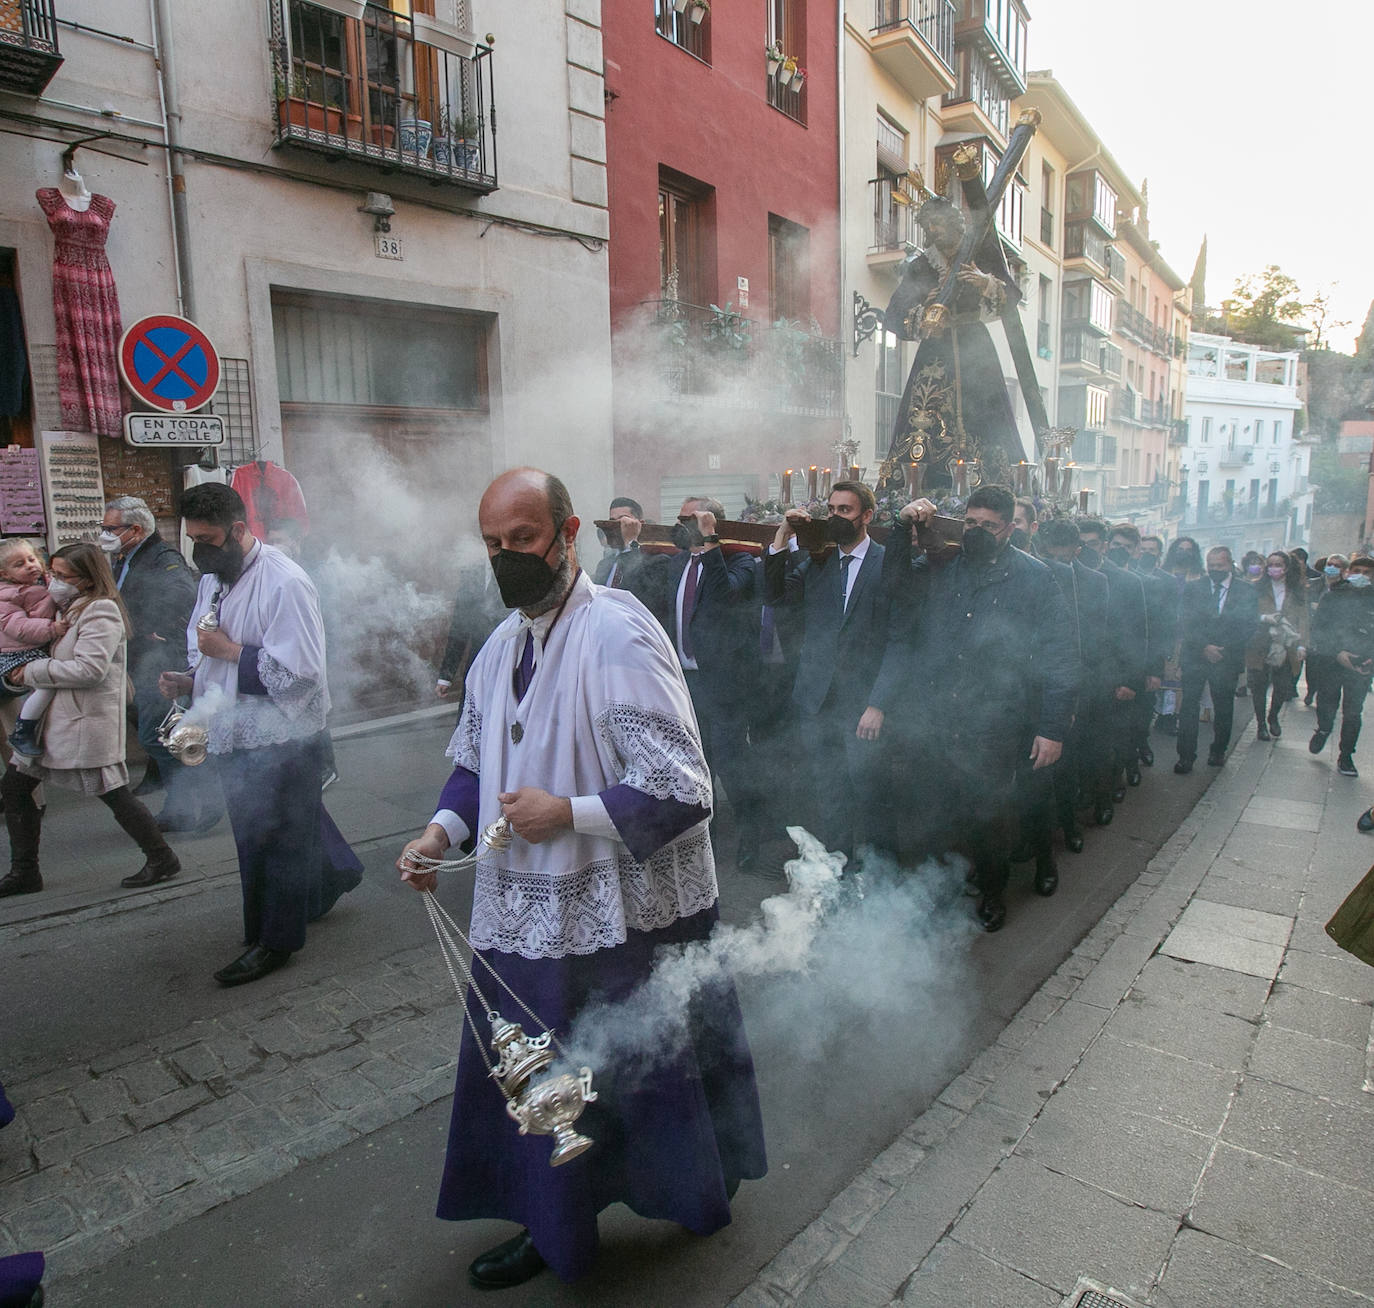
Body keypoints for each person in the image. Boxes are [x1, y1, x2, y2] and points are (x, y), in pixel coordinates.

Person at [396, 467, 765, 1289]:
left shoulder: (619, 635)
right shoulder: (500, 646)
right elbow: (474, 765)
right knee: (535, 1072)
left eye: (521, 540)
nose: (504, 558)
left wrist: (568, 812)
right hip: (523, 910)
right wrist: (438, 832)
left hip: (622, 916)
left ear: (567, 536)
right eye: (491, 544)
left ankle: (691, 1187)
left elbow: (682, 788)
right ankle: (550, 1222)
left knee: (633, 1073)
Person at [158, 483, 361, 986]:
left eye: (208, 539)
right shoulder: (215, 576)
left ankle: (276, 942)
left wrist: (228, 653)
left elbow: (301, 675)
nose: (199, 550)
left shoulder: (285, 582)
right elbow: (205, 646)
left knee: (277, 839)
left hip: (284, 736)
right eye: (192, 540)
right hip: (234, 730)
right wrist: (192, 679)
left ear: (240, 530)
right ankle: (316, 889)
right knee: (254, 834)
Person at [877, 486, 1077, 931]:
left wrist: (1053, 727)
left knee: (988, 816)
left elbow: (1061, 655)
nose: (978, 532)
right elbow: (894, 587)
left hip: (996, 720)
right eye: (971, 523)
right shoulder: (942, 566)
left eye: (988, 526)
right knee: (935, 813)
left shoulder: (1036, 577)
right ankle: (940, 892)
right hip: (937, 716)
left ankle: (991, 891)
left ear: (1009, 528)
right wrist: (900, 527)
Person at [0, 542, 180, 897]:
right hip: (57, 721)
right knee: (15, 787)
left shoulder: (100, 611)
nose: (53, 580)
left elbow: (90, 669)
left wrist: (32, 671)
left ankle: (161, 858)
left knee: (112, 792)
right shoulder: (67, 607)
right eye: (53, 573)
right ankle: (24, 871)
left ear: (86, 578)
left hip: (84, 721)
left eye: (63, 575)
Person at [626, 496, 762, 868]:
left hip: (723, 684)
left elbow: (725, 594)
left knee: (734, 769)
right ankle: (707, 852)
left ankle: (756, 843)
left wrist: (711, 542)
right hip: (685, 683)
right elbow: (636, 588)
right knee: (695, 770)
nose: (681, 524)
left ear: (710, 522)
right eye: (681, 518)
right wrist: (631, 545)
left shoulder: (739, 560)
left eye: (690, 519)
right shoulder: (678, 562)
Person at [765, 481, 893, 861]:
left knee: (870, 791)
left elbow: (900, 641)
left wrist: (879, 703)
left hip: (863, 704)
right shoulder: (818, 563)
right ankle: (839, 863)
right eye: (832, 510)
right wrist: (782, 537)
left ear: (867, 516)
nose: (837, 517)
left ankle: (879, 876)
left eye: (846, 511)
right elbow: (776, 598)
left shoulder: (886, 564)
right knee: (830, 788)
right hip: (817, 701)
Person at [878, 196, 1024, 492]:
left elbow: (1013, 295)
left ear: (955, 222)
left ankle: (990, 484)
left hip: (975, 347)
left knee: (986, 411)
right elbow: (893, 315)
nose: (934, 229)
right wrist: (922, 311)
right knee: (924, 412)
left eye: (939, 222)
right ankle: (916, 485)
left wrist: (986, 283)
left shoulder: (982, 251)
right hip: (936, 350)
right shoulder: (921, 265)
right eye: (928, 224)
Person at [98, 495, 217, 829]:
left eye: (111, 528)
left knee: (160, 736)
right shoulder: (124, 556)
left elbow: (181, 595)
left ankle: (207, 794)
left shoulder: (161, 556)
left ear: (136, 529)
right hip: (141, 658)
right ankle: (181, 806)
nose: (105, 533)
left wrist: (152, 629)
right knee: (160, 735)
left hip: (161, 658)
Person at [1035, 515, 1108, 846]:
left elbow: (1092, 642)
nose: (1058, 562)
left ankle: (1069, 826)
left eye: (1064, 555)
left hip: (1075, 687)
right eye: (1052, 554)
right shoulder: (1034, 575)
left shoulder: (1093, 582)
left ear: (1077, 551)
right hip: (1038, 685)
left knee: (1067, 767)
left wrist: (1074, 698)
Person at [1174, 545, 1260, 774]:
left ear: (1229, 564)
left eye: (1219, 566)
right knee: (1188, 707)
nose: (1215, 570)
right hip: (1196, 655)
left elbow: (1250, 625)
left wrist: (1223, 649)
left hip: (1226, 657)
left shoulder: (1246, 591)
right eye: (1211, 566)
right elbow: (1185, 620)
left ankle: (1218, 750)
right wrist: (1204, 646)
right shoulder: (1195, 588)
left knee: (1223, 707)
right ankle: (1185, 755)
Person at [1309, 554, 1374, 777]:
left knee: (1353, 712)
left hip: (1362, 665)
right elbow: (1318, 629)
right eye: (1357, 571)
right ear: (1348, 572)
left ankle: (1346, 755)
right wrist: (1338, 653)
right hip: (1332, 661)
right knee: (1327, 703)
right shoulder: (1334, 596)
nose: (1361, 576)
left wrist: (1370, 658)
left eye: (1367, 573)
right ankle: (1324, 728)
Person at [0, 540, 64, 758]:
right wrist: (52, 628)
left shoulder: (41, 583)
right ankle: (23, 730)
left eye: (31, 559)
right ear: (5, 574)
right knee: (46, 685)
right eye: (19, 564)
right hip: (18, 654)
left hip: (34, 647)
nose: (29, 565)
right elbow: (19, 628)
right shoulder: (7, 595)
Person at [1245, 550, 1308, 741]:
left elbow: (1304, 619)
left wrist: (1302, 645)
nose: (1274, 568)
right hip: (1260, 640)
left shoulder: (1297, 590)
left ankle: (1273, 716)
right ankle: (1261, 724)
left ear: (1287, 568)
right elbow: (1246, 615)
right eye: (1271, 564)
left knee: (1283, 685)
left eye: (1278, 564)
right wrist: (1264, 618)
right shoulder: (1255, 588)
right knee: (1259, 684)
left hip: (1287, 641)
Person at [590, 496, 646, 587]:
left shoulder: (655, 560)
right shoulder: (604, 564)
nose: (616, 526)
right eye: (612, 521)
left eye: (624, 521)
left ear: (641, 524)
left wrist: (630, 542)